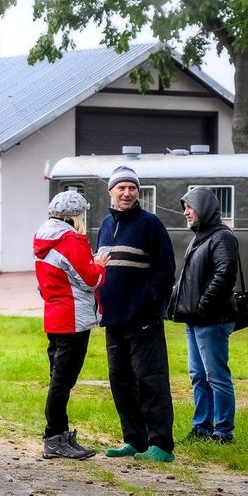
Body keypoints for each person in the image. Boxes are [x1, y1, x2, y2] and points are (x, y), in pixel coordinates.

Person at [97, 165, 177, 462]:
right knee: (121, 381)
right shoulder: (106, 224)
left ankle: (161, 445)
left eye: (132, 188)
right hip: (114, 320)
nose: (127, 193)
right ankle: (134, 440)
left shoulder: (150, 224)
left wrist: (149, 304)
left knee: (151, 380)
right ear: (111, 192)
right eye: (122, 188)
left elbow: (165, 271)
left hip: (143, 321)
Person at [33, 190, 109, 460]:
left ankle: (59, 434)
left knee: (58, 379)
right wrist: (99, 264)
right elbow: (90, 280)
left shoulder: (43, 237)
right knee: (63, 382)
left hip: (54, 314)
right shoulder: (71, 240)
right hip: (74, 318)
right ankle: (54, 438)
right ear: (75, 216)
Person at [169, 187, 240, 444]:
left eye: (190, 206)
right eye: (184, 207)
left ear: (204, 207)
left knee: (216, 375)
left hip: (212, 319)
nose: (186, 212)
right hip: (196, 319)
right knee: (197, 375)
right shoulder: (200, 236)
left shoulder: (222, 237)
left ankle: (223, 431)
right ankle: (202, 427)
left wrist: (203, 306)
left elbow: (225, 274)